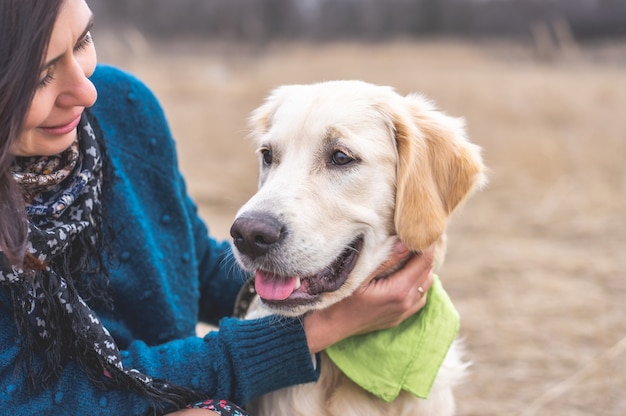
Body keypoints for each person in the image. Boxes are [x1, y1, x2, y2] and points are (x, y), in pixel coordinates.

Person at [0, 0, 435, 415]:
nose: (87, 91)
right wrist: (314, 333)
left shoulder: (124, 106)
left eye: (82, 41)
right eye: (40, 77)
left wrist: (346, 288)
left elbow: (190, 266)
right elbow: (40, 400)